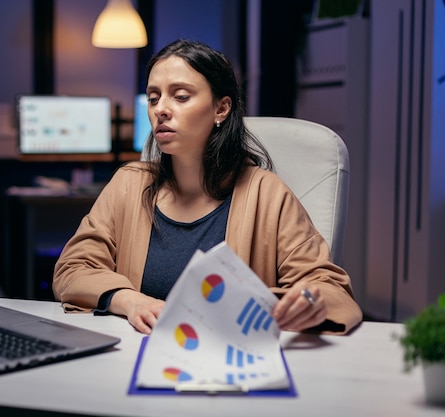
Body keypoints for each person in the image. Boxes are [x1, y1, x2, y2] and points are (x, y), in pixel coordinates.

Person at [53, 39, 362, 335]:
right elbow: (73, 268)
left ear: (221, 109)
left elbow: (329, 287)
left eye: (181, 96)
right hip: (134, 356)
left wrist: (306, 302)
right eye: (153, 97)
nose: (160, 109)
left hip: (229, 368)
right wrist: (130, 300)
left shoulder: (266, 192)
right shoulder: (129, 183)